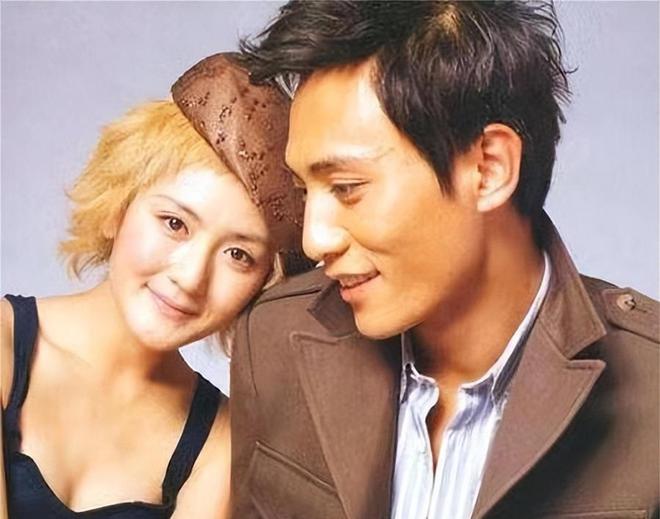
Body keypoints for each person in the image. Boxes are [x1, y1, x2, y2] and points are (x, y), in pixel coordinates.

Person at [229, 2, 660, 518]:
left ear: (489, 168)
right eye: (306, 191)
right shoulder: (271, 338)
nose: (315, 240)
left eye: (346, 187)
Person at [0, 53, 307, 519]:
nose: (191, 277)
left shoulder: (221, 444)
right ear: (116, 208)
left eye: (238, 255)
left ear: (264, 283)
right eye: (174, 223)